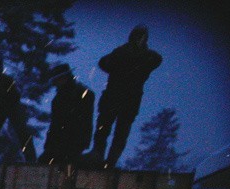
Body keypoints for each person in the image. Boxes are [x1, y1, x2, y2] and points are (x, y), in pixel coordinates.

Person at [86, 24, 162, 168]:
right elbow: (103, 63)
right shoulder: (128, 54)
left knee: (114, 132)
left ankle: (107, 160)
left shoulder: (127, 54)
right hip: (120, 100)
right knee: (109, 131)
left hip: (122, 100)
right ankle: (101, 158)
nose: (140, 40)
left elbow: (104, 63)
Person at [38, 63, 95, 167]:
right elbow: (55, 124)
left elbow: (84, 122)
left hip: (73, 143)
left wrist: (80, 143)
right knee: (44, 163)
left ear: (64, 78)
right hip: (59, 143)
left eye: (56, 80)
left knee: (64, 167)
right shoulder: (58, 98)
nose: (54, 84)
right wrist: (49, 145)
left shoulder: (83, 94)